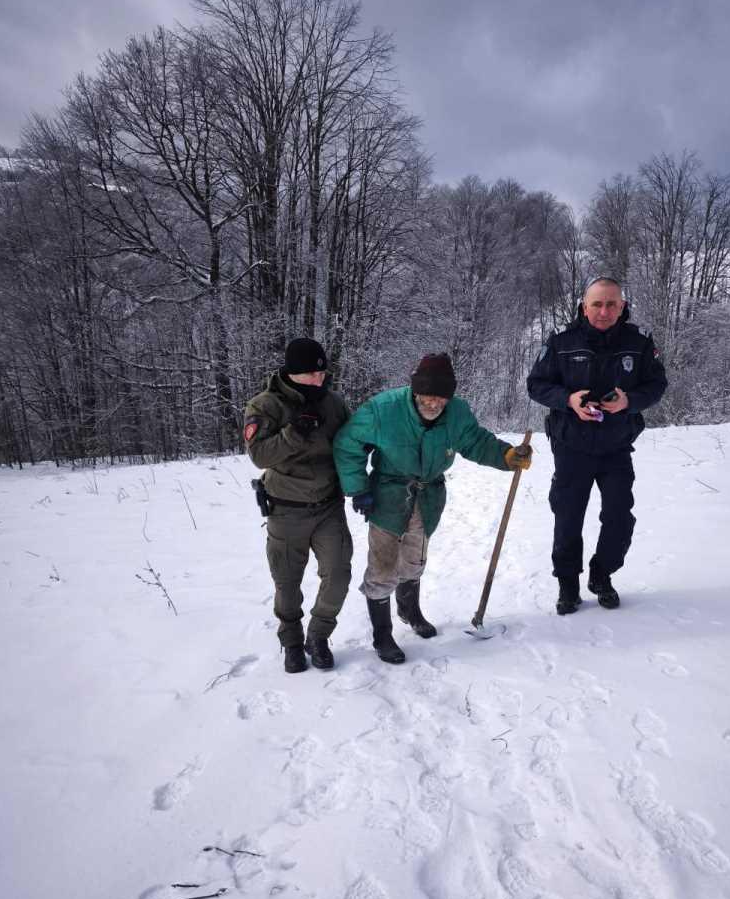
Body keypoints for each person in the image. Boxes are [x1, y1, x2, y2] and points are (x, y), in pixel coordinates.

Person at [333, 352, 532, 663]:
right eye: (427, 396)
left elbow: (476, 442)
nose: (434, 404)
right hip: (388, 495)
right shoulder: (384, 409)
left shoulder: (458, 413)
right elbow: (348, 443)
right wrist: (358, 488)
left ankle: (409, 610)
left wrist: (506, 456)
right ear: (415, 391)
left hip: (428, 497)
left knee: (414, 560)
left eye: (441, 398)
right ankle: (382, 635)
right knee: (383, 566)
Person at [527, 277, 667, 614]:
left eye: (611, 304)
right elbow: (536, 385)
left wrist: (629, 401)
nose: (604, 311)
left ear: (622, 306)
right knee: (568, 517)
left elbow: (657, 384)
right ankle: (568, 586)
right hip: (571, 446)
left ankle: (602, 575)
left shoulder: (639, 343)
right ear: (583, 306)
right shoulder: (561, 343)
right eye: (597, 304)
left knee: (619, 517)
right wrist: (568, 399)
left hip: (616, 446)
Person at [244, 338, 352, 674]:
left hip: (328, 506)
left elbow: (351, 444)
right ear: (291, 373)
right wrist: (294, 432)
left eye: (322, 373)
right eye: (310, 374)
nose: (319, 380)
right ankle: (291, 641)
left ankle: (318, 637)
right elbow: (259, 455)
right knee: (287, 583)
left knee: (338, 574)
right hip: (286, 509)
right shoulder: (265, 406)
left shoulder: (333, 403)